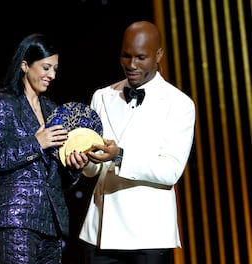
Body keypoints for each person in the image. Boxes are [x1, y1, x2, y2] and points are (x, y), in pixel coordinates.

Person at [68, 21, 196, 263]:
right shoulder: (102, 97)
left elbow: (171, 170)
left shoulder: (179, 104)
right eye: (126, 56)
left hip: (149, 236)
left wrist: (120, 156)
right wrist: (83, 161)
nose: (131, 65)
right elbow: (94, 169)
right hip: (100, 234)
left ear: (158, 55)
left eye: (140, 57)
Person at [0, 33, 88, 264]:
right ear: (25, 65)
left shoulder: (54, 110)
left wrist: (74, 167)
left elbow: (58, 178)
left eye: (55, 69)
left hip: (51, 224)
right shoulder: (1, 102)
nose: (52, 75)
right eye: (46, 68)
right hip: (16, 220)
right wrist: (36, 143)